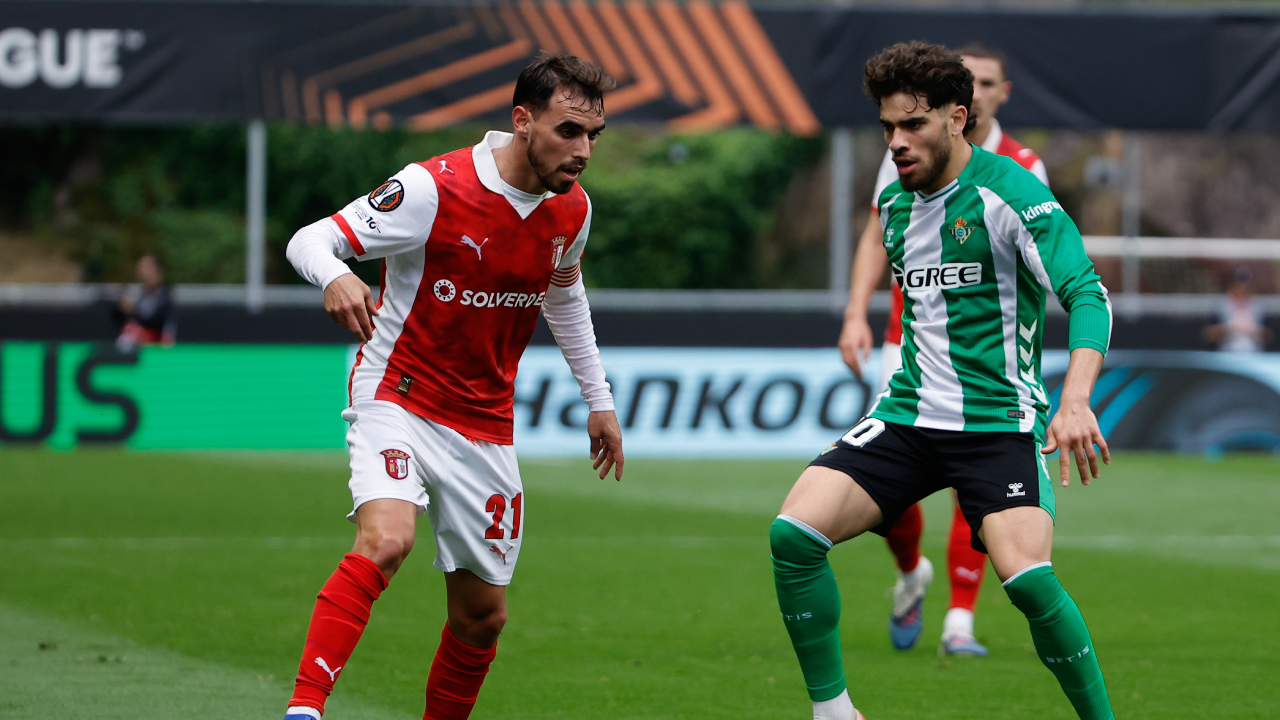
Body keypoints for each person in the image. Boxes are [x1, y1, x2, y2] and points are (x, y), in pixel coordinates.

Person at [771, 41, 1115, 720]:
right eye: (888, 127)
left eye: (913, 124)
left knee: (1028, 581)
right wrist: (856, 314)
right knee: (794, 536)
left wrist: (1075, 399)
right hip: (909, 416)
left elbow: (1087, 293)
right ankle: (834, 713)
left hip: (996, 421)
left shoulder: (1011, 192)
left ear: (958, 118)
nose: (897, 142)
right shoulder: (896, 206)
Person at [279, 53, 624, 720]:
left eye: (593, 135)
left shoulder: (572, 210)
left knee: (482, 618)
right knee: (387, 539)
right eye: (568, 131)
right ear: (522, 121)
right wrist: (336, 274)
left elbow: (564, 294)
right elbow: (310, 240)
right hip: (398, 395)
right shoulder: (433, 188)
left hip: (485, 423)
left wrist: (598, 399)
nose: (583, 150)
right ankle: (304, 708)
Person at [838, 43, 1049, 657]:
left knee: (971, 482)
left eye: (988, 81)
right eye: (969, 78)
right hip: (906, 344)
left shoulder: (1022, 167)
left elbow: (1040, 262)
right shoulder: (907, 148)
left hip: (984, 356)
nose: (977, 90)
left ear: (999, 94)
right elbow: (876, 232)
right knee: (885, 489)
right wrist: (855, 313)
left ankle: (960, 618)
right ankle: (911, 571)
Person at [114, 254, 177, 352]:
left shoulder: (164, 295)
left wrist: (133, 310)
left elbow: (156, 321)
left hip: (159, 345)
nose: (142, 272)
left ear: (158, 272)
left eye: (146, 267)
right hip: (141, 346)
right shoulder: (140, 293)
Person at [1204, 265, 1270, 352]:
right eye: (1240, 281)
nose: (1242, 286)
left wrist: (1252, 330)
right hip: (1227, 351)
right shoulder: (1221, 303)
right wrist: (1228, 329)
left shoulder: (1257, 304)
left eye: (1246, 281)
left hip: (1254, 352)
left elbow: (1268, 336)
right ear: (1232, 282)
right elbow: (1209, 334)